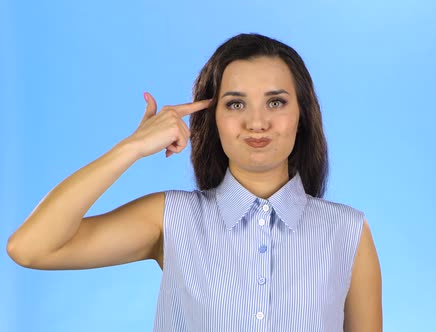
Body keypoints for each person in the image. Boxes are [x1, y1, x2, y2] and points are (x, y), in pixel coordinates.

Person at [6, 33, 382, 331]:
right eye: (236, 104)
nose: (257, 122)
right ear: (212, 117)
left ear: (303, 113)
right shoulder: (170, 219)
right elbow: (31, 248)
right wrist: (132, 147)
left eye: (276, 102)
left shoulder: (348, 231)